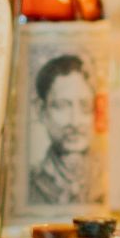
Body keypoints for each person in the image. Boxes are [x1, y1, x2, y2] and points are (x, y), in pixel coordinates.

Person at [26, 54, 101, 206]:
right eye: (61, 106)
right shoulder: (34, 183)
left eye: (85, 106)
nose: (75, 121)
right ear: (41, 110)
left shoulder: (105, 179)